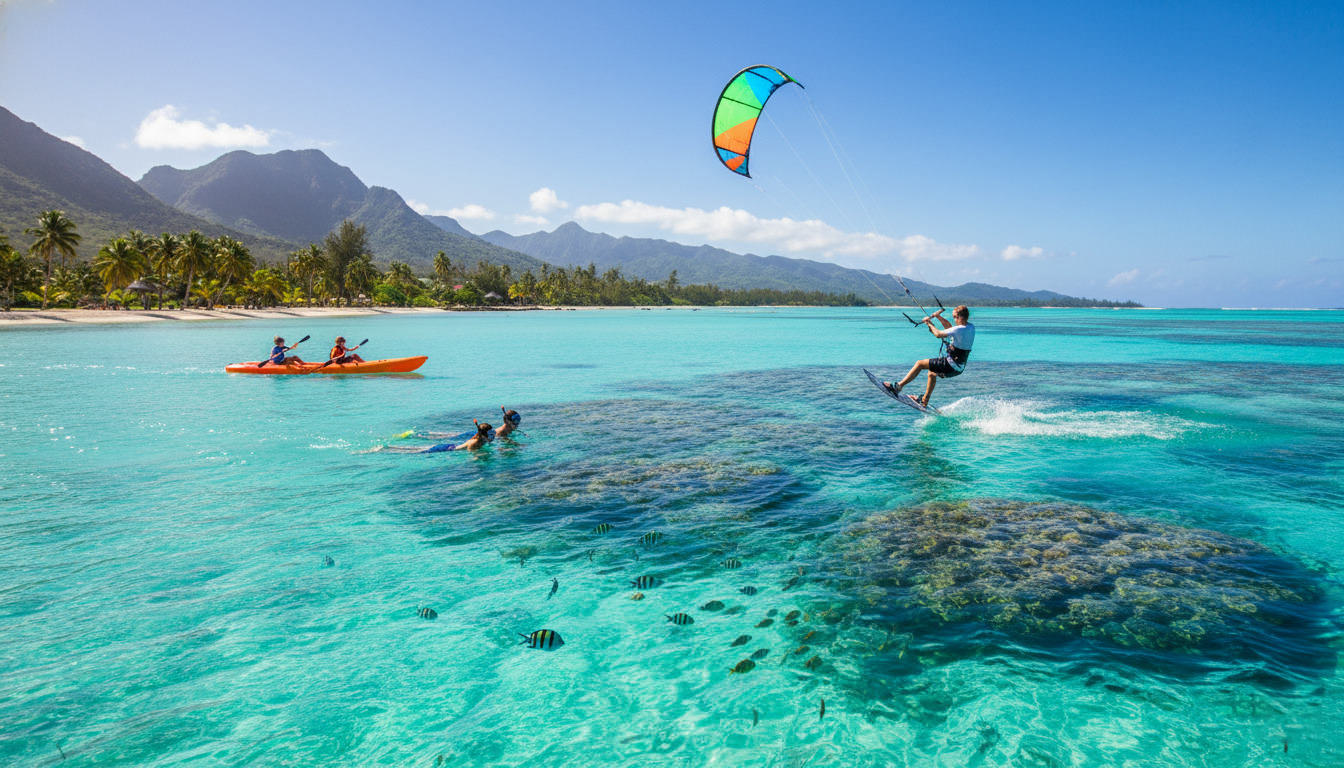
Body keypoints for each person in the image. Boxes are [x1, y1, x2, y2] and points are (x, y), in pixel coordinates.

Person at [884, 304, 974, 408]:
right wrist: (938, 317)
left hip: (950, 365)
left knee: (920, 363)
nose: (954, 319)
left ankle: (898, 387)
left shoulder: (958, 329)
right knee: (932, 373)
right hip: (959, 368)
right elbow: (949, 327)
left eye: (955, 317)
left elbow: (938, 334)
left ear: (960, 317)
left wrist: (929, 323)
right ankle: (924, 401)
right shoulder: (970, 327)